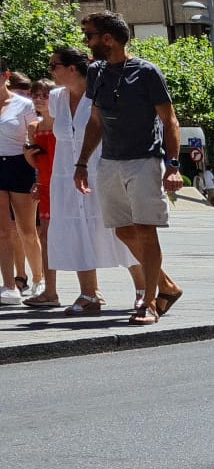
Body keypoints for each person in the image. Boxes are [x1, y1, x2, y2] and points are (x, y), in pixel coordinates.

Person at [75, 11, 184, 325]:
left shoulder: (147, 72)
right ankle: (167, 286)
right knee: (123, 231)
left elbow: (170, 121)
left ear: (107, 39)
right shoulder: (96, 72)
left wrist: (172, 166)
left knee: (145, 231)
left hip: (144, 160)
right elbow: (95, 122)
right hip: (109, 162)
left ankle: (149, 302)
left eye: (90, 35)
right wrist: (82, 162)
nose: (86, 41)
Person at [46, 46, 137, 315]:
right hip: (65, 176)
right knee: (75, 231)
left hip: (101, 171)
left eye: (54, 66)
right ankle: (89, 293)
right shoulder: (56, 98)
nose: (50, 71)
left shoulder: (101, 92)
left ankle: (146, 290)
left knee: (121, 230)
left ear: (72, 68)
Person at [0, 71, 44, 305]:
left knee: (27, 230)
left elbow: (35, 139)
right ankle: (9, 286)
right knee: (3, 231)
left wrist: (37, 172)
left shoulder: (23, 105)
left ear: (5, 76)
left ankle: (38, 279)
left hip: (20, 164)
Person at [23, 78, 59, 306]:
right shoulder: (34, 127)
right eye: (36, 94)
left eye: (45, 94)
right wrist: (30, 160)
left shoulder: (63, 123)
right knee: (45, 237)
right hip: (46, 185)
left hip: (66, 185)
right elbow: (39, 162)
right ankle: (50, 291)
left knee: (80, 234)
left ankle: (92, 288)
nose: (39, 99)